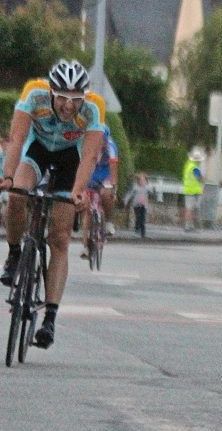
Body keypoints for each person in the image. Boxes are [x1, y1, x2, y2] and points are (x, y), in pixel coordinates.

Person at [0, 59, 106, 349]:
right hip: (38, 151)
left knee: (59, 238)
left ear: (83, 96)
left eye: (75, 100)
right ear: (51, 92)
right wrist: (8, 176)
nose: (69, 107)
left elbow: (89, 158)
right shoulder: (34, 93)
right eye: (62, 98)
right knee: (17, 195)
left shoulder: (94, 107)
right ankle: (14, 253)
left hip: (70, 160)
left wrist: (77, 192)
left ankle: (49, 319)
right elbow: (18, 138)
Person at [85, 123, 118, 243]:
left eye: (102, 139)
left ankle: (108, 222)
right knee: (87, 202)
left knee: (106, 194)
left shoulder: (111, 146)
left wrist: (113, 187)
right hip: (92, 171)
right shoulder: (89, 143)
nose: (99, 142)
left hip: (105, 172)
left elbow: (113, 166)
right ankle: (86, 239)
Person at [181, 149, 204, 232]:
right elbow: (199, 178)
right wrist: (202, 179)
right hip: (193, 191)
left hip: (188, 190)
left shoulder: (188, 165)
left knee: (188, 209)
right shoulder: (195, 167)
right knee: (191, 209)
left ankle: (188, 225)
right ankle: (189, 226)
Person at [123, 171, 149, 238]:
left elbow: (151, 192)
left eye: (144, 180)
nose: (142, 182)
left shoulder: (147, 187)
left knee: (143, 219)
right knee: (138, 217)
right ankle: (137, 230)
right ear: (138, 181)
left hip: (144, 205)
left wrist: (154, 192)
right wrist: (126, 200)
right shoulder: (135, 187)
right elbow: (130, 194)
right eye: (141, 180)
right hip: (136, 205)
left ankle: (143, 233)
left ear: (146, 181)